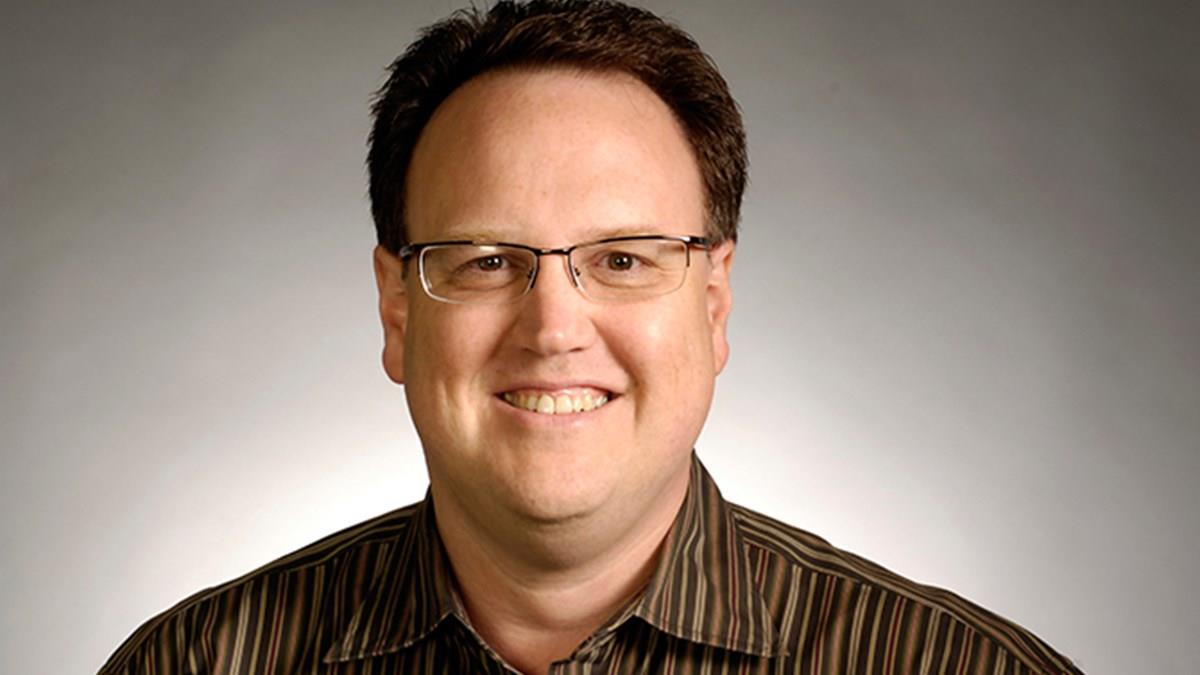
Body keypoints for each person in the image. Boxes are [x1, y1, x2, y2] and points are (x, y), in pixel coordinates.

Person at [100, 1, 1083, 673]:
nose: (555, 328)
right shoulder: (195, 663)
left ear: (714, 302)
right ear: (398, 311)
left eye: (621, 259)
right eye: (487, 260)